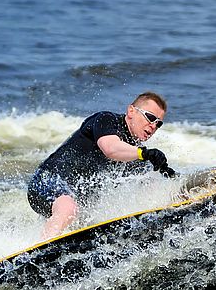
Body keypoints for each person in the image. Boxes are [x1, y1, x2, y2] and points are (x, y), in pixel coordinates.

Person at [28, 92, 175, 239]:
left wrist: (171, 180)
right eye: (150, 117)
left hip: (75, 201)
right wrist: (145, 154)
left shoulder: (136, 153)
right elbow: (110, 148)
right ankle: (40, 252)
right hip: (46, 181)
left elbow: (149, 184)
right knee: (68, 208)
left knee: (92, 220)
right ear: (131, 111)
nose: (153, 125)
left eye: (158, 123)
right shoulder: (106, 120)